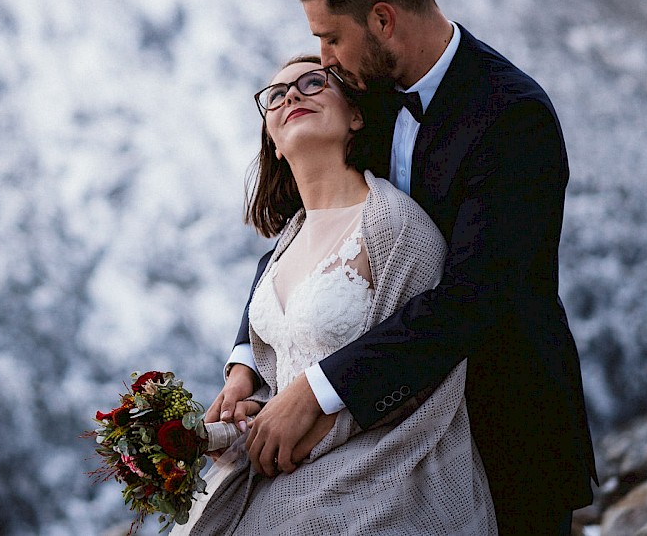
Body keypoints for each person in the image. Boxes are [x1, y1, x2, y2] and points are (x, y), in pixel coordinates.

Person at [210, 0, 597, 534]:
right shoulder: (368, 94)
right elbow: (306, 235)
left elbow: (472, 300)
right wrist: (245, 364)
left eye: (330, 38)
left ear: (384, 21)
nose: (327, 61)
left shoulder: (513, 118)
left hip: (505, 432)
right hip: (377, 446)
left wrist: (314, 391)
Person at [174, 55, 495, 535]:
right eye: (276, 96)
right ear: (274, 145)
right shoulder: (284, 246)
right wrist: (244, 407)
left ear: (355, 116)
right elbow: (283, 363)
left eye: (312, 82)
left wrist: (293, 436)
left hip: (380, 475)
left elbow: (426, 368)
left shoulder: (394, 225)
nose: (291, 97)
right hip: (287, 476)